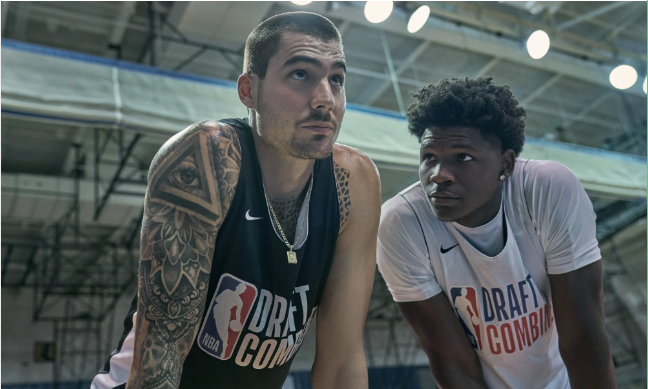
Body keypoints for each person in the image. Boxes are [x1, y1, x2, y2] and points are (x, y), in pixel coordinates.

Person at [91, 11, 380, 389]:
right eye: (301, 75)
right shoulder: (207, 157)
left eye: (336, 79)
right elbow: (161, 354)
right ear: (249, 91)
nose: (326, 98)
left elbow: (342, 363)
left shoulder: (354, 181)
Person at [376, 77, 616, 388]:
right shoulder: (401, 224)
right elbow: (452, 362)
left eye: (462, 157)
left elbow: (582, 339)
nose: (439, 175)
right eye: (429, 158)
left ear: (505, 164)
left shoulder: (546, 188)